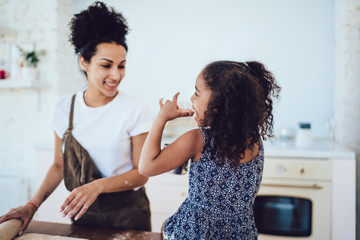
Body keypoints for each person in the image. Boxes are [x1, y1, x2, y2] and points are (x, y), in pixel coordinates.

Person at [0, 1, 152, 234]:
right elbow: (58, 165)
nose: (116, 75)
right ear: (84, 62)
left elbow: (141, 173)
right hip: (84, 212)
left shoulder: (135, 108)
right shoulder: (63, 108)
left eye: (121, 66)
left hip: (128, 213)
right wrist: (32, 205)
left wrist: (97, 186)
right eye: (106, 65)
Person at [139, 60, 281, 239]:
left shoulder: (198, 140)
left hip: (198, 233)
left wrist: (161, 118)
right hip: (240, 233)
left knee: (166, 225)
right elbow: (252, 190)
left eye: (197, 93)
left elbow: (146, 167)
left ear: (220, 102)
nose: (192, 99)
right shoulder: (255, 142)